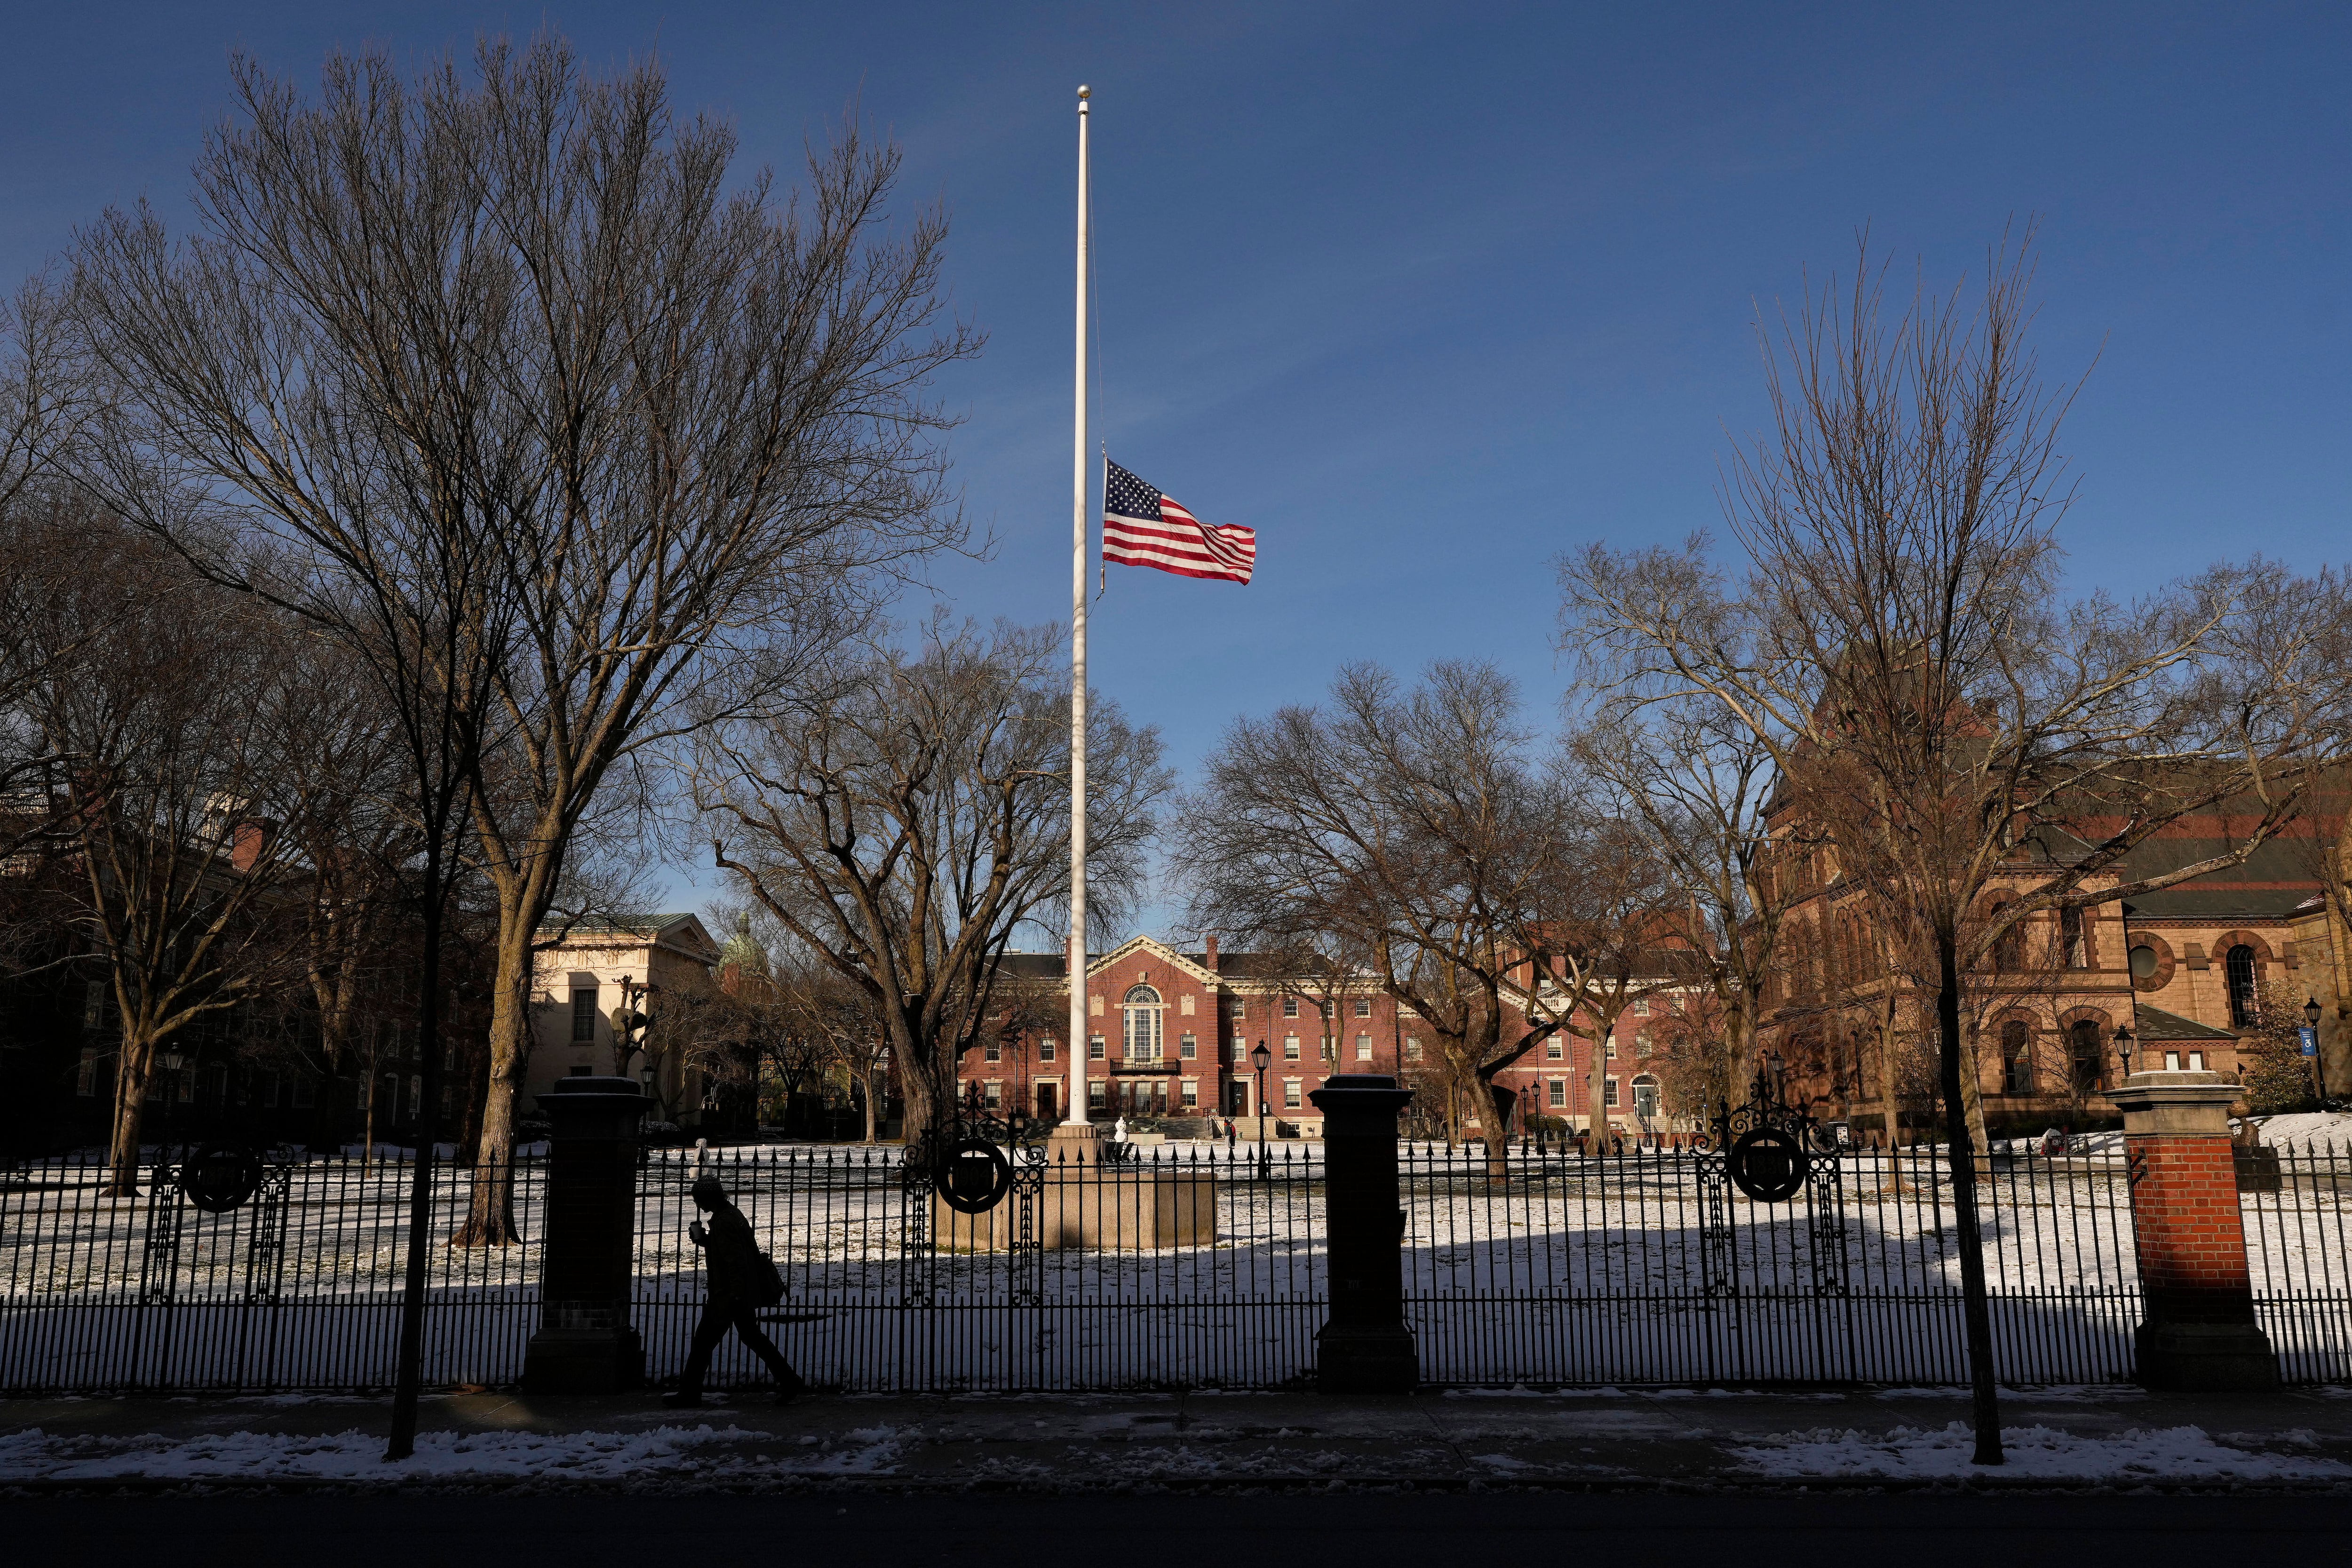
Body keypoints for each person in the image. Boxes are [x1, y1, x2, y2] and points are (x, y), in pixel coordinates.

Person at [665, 1173, 807, 1406]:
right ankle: (790, 1381)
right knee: (753, 1338)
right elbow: (734, 1253)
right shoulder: (731, 1216)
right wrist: (707, 1242)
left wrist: (735, 1294)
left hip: (728, 1295)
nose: (699, 1206)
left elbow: (735, 1261)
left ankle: (689, 1394)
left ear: (709, 1199)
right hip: (737, 1293)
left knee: (703, 1342)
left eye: (699, 1201)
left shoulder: (724, 1222)